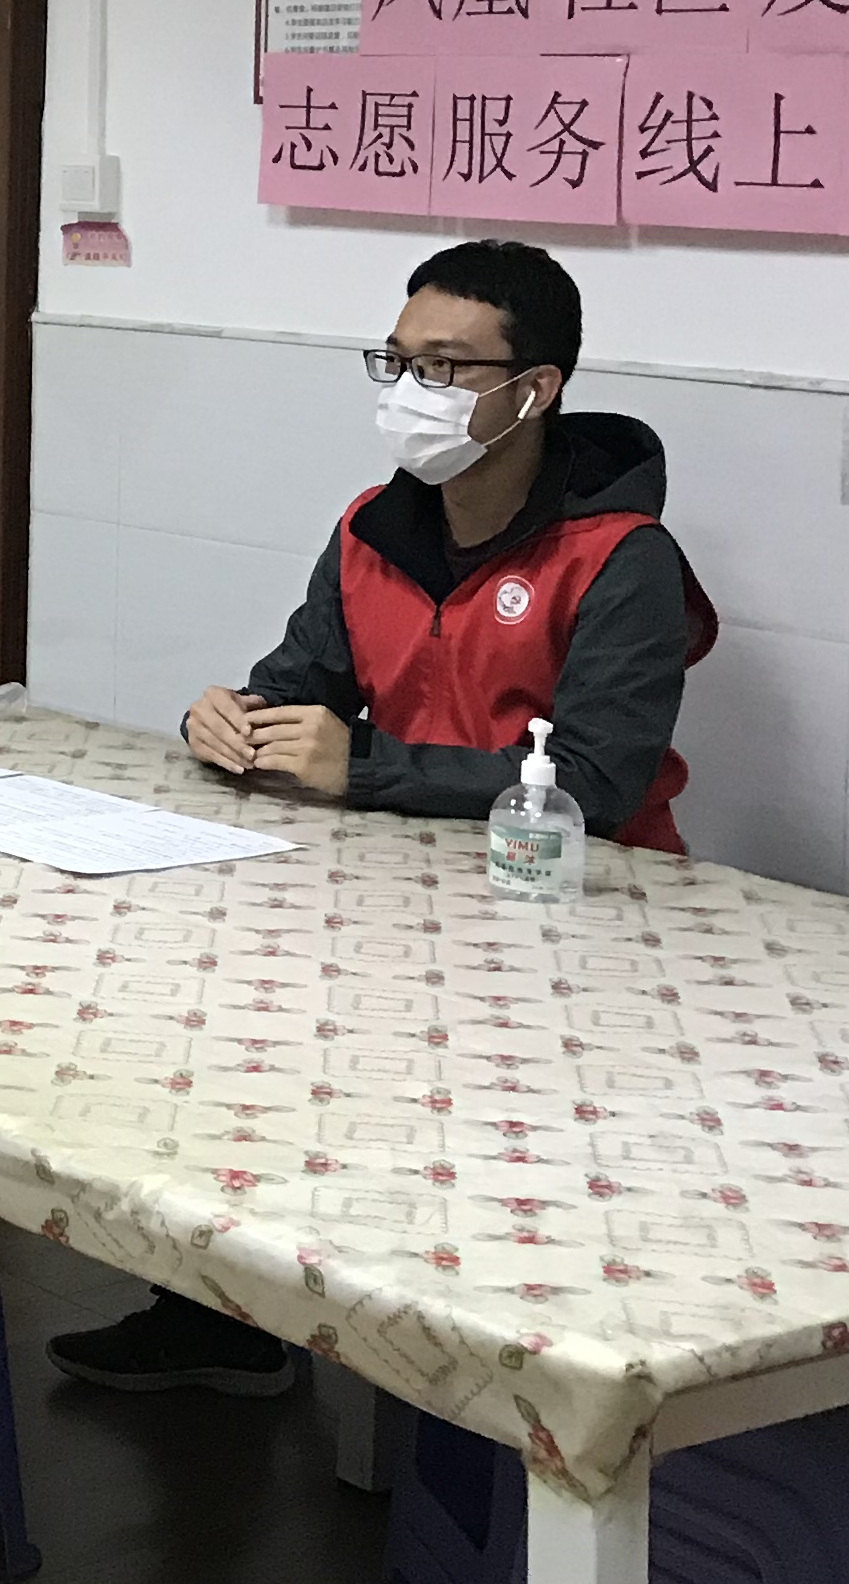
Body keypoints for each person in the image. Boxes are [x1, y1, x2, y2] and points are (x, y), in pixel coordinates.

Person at [51, 236, 717, 1400]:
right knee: (227, 1023)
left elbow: (597, 785)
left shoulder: (621, 559)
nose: (413, 391)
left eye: (447, 367)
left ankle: (484, 1383)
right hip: (397, 902)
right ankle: (221, 1315)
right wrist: (235, 721)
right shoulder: (374, 527)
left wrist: (362, 767)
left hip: (577, 921)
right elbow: (300, 682)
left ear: (535, 390)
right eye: (398, 361)